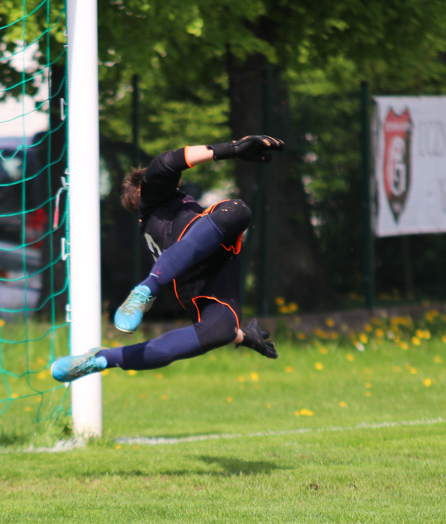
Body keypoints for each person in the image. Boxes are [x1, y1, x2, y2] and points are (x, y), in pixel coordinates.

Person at [52, 135, 283, 383]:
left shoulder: (153, 218)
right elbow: (166, 162)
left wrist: (246, 337)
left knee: (221, 330)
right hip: (195, 265)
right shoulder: (154, 195)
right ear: (145, 188)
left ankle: (101, 359)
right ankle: (145, 289)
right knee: (236, 210)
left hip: (196, 276)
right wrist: (232, 148)